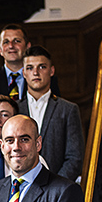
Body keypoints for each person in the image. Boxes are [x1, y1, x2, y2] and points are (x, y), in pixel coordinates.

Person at [0, 25, 60, 130]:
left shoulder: (43, 79)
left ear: (27, 46)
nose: (11, 46)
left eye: (17, 41)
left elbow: (54, 115)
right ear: (0, 50)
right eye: (6, 42)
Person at [18, 46, 84, 181]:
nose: (35, 73)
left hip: (58, 189)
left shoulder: (68, 109)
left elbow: (75, 158)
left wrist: (54, 187)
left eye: (41, 67)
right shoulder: (15, 109)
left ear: (51, 70)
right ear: (24, 73)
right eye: (30, 68)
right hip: (21, 187)